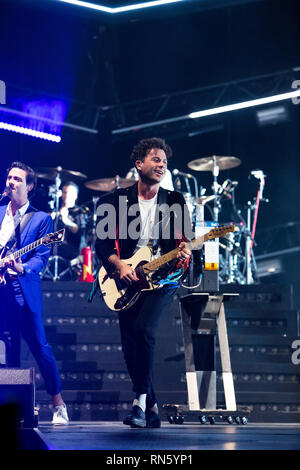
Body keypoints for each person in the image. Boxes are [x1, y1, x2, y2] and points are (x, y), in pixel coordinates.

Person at [95, 137, 193, 428]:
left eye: (164, 161)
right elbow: (101, 244)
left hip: (162, 278)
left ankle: (138, 403)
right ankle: (151, 405)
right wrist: (118, 265)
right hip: (125, 277)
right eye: (155, 159)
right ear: (139, 164)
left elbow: (184, 241)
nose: (162, 164)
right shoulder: (112, 201)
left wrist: (184, 252)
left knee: (143, 329)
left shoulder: (174, 200)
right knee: (128, 342)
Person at [0, 161, 69, 425]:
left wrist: (23, 266)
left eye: (17, 179)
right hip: (0, 291)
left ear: (29, 187)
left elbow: (41, 256)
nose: (11, 182)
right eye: (9, 177)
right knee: (6, 348)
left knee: (41, 347)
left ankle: (58, 403)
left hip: (22, 290)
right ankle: (13, 405)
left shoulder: (41, 220)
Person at [51, 181, 82, 261]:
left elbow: (79, 232)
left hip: (72, 249)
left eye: (70, 193)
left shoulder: (79, 212)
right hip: (54, 246)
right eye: (64, 192)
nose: (67, 196)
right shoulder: (56, 210)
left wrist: (65, 220)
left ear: (76, 196)